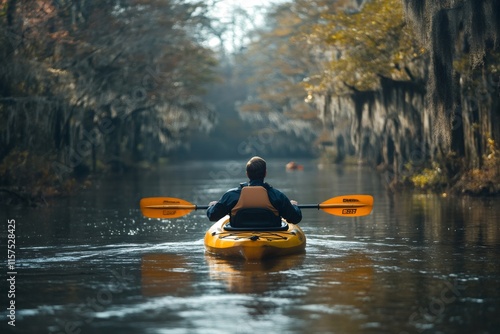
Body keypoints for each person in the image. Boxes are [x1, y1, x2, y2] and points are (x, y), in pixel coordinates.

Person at [207, 156, 302, 226]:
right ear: (265, 173)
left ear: (247, 174)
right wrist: (294, 206)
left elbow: (213, 216)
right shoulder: (277, 196)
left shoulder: (231, 195)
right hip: (271, 233)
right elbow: (295, 218)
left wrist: (212, 206)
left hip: (239, 234)